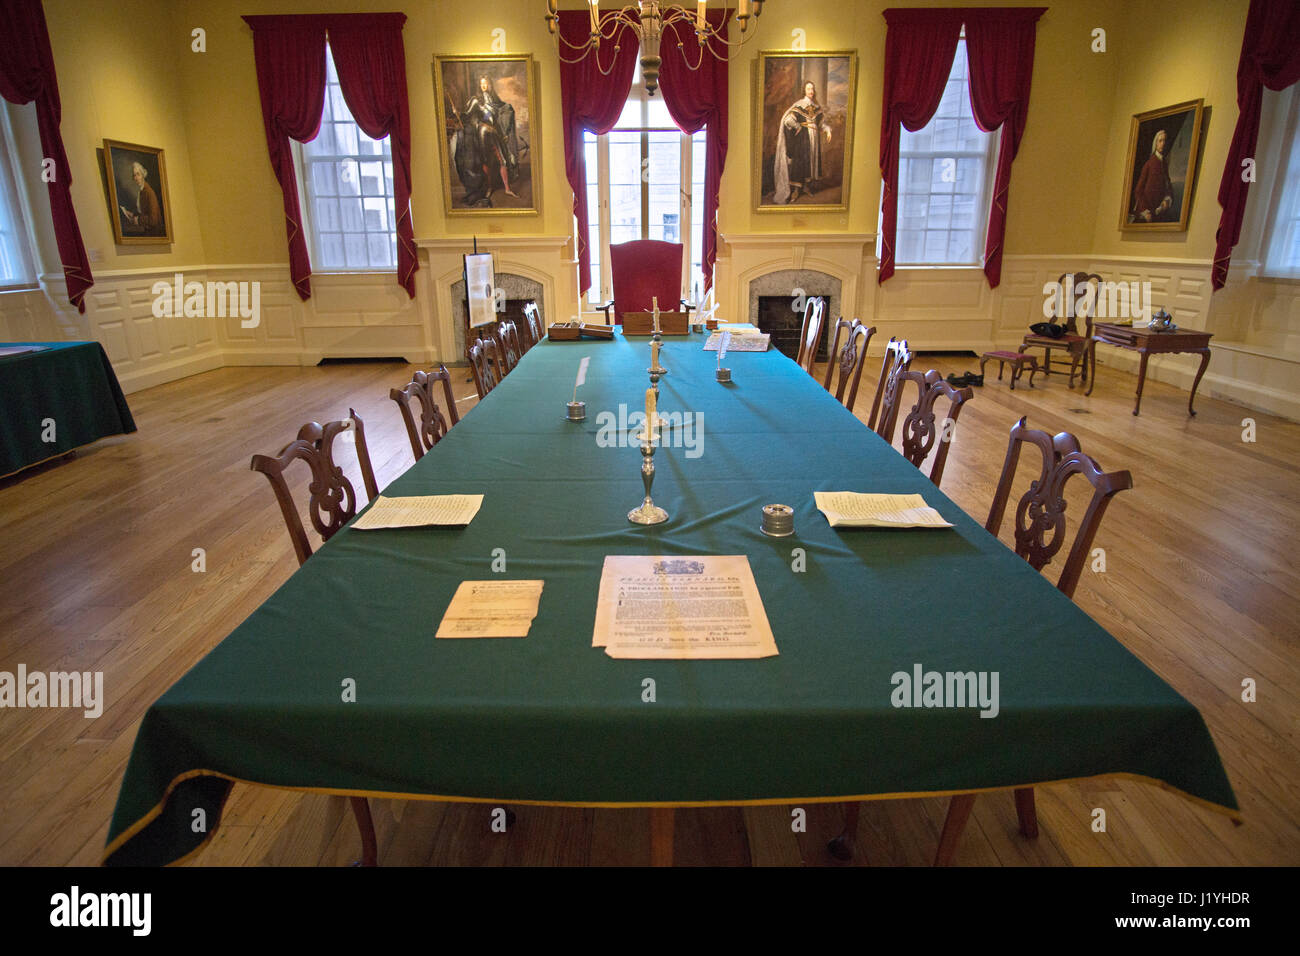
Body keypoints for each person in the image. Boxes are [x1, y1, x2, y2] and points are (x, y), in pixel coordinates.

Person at [459, 74, 520, 203]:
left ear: (490, 85)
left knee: (503, 160)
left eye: (486, 83)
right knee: (486, 161)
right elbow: (466, 116)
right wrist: (458, 113)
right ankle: (489, 188)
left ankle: (507, 188)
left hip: (495, 134)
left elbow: (498, 116)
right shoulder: (476, 101)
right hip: (482, 134)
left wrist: (504, 130)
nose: (484, 86)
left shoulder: (494, 101)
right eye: (482, 84)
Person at [772, 81, 831, 204]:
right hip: (803, 140)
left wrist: (827, 130)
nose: (811, 91)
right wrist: (798, 127)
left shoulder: (816, 108)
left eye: (812, 89)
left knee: (810, 163)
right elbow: (788, 120)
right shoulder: (799, 105)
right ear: (804, 90)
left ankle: (806, 187)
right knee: (800, 164)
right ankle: (796, 190)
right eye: (809, 89)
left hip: (814, 140)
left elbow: (820, 124)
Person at [1131, 128, 1173, 223]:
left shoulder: (1164, 164)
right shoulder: (1149, 164)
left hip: (1158, 211)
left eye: (1165, 140)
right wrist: (1146, 211)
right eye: (1160, 140)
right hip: (1147, 211)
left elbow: (1168, 186)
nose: (1163, 143)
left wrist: (1166, 200)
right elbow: (1138, 190)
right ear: (1156, 143)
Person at [122, 161, 163, 235]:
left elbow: (153, 220)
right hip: (146, 229)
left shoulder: (149, 192)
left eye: (138, 174)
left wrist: (138, 219)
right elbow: (143, 211)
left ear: (143, 175)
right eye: (134, 175)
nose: (136, 178)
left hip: (154, 232)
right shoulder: (141, 191)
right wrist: (132, 214)